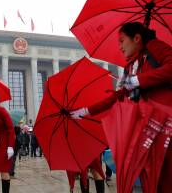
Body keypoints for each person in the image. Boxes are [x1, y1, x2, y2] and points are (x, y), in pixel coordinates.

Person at [71, 22, 172, 192]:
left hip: (166, 123)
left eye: (122, 40)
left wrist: (140, 80)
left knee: (166, 176)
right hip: (146, 128)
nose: (120, 46)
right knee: (150, 179)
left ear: (137, 38)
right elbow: (116, 97)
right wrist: (86, 110)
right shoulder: (130, 67)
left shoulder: (155, 47)